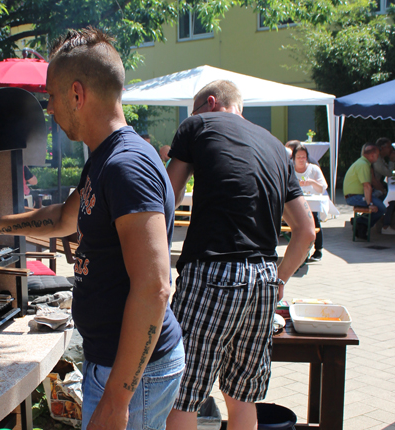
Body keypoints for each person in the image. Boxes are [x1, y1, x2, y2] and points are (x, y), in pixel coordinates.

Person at [0, 27, 184, 430]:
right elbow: (65, 218)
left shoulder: (127, 166)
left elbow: (155, 288)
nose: (48, 108)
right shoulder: (104, 160)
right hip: (115, 364)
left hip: (134, 374)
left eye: (51, 96)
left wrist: (118, 400)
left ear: (77, 95)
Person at [165, 80, 315, 430]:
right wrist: (280, 278)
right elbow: (305, 231)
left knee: (182, 394)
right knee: (242, 396)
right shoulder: (278, 148)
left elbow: (164, 199)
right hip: (263, 279)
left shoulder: (198, 124)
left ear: (210, 103)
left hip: (212, 274)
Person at [343, 144, 387, 239]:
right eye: (377, 155)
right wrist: (370, 203)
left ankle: (360, 222)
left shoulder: (363, 163)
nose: (378, 157)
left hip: (355, 196)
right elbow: (367, 186)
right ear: (372, 155)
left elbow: (371, 183)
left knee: (382, 199)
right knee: (381, 208)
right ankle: (361, 224)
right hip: (354, 197)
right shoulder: (363, 165)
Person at [292, 143, 327, 261]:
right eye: (299, 157)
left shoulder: (314, 169)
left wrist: (312, 182)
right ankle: (300, 251)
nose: (301, 160)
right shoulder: (290, 169)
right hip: (295, 202)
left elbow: (322, 187)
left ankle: (318, 250)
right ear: (294, 158)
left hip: (311, 202)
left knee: (314, 220)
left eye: (304, 157)